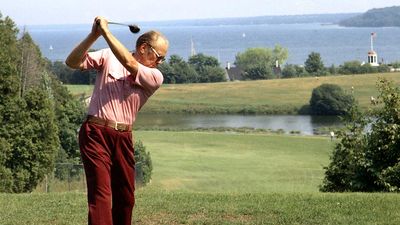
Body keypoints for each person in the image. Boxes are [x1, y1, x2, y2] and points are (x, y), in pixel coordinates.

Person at [65, 16, 169, 225]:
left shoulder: (155, 76)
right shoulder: (107, 56)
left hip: (123, 137)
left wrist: (106, 32)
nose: (159, 62)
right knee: (101, 195)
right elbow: (72, 62)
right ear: (143, 48)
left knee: (126, 197)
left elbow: (129, 63)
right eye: (158, 56)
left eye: (162, 59)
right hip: (95, 133)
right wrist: (93, 35)